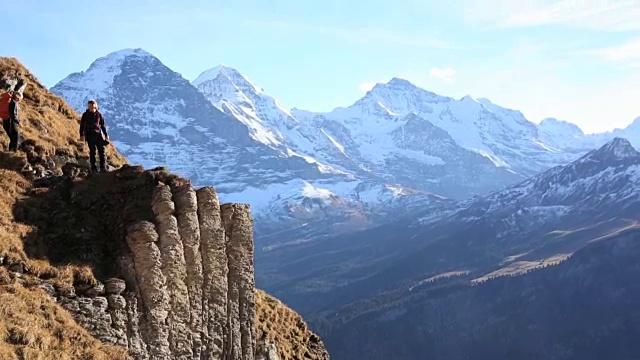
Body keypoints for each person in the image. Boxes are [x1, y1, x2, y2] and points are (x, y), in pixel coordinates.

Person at [79, 99, 110, 172]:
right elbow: (82, 125)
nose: (90, 108)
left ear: (95, 106)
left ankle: (103, 167)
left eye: (91, 106)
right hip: (89, 135)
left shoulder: (99, 115)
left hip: (98, 135)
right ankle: (93, 168)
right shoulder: (85, 115)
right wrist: (81, 135)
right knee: (92, 152)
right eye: (89, 106)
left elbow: (103, 125)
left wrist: (106, 134)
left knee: (101, 151)